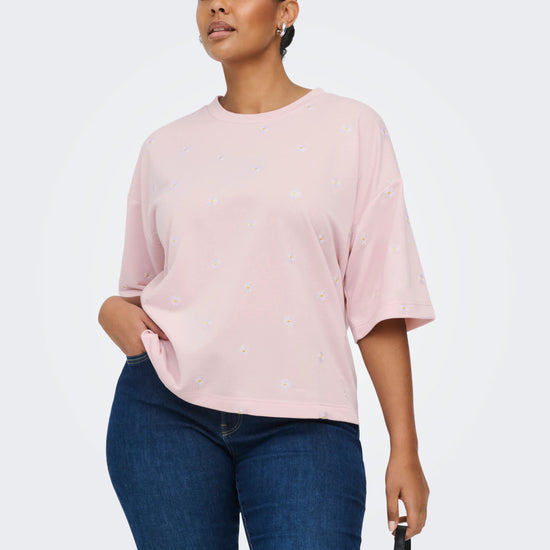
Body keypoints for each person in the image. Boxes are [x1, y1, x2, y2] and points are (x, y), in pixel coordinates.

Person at [98, 1, 436, 548]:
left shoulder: (351, 128)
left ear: (286, 11)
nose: (217, 5)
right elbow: (141, 286)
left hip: (307, 423)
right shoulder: (163, 147)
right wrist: (115, 315)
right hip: (164, 414)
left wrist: (405, 448)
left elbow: (379, 300)